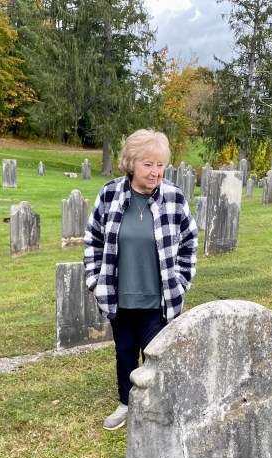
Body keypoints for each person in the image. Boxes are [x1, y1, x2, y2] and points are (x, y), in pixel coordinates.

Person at [84, 129, 198, 430]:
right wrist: (95, 281)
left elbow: (189, 242)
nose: (156, 172)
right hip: (119, 295)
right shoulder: (110, 194)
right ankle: (126, 403)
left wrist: (182, 280)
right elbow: (93, 240)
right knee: (124, 354)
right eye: (148, 164)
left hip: (159, 298)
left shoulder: (173, 198)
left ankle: (157, 409)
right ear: (131, 163)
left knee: (157, 356)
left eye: (160, 165)